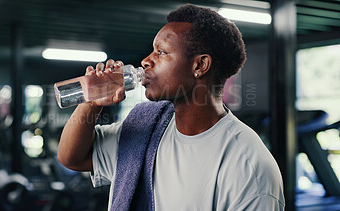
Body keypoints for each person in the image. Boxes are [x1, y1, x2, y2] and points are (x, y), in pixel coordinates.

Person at [57, 4, 285, 211]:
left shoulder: (248, 167)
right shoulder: (143, 129)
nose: (146, 61)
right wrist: (91, 104)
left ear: (200, 65)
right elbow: (72, 158)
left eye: (161, 52)